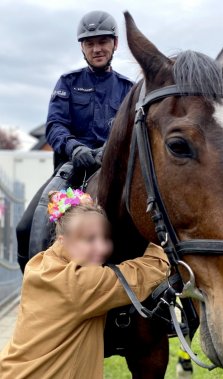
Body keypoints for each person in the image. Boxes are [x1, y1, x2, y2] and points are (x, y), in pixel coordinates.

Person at [0, 188, 169, 379]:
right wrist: (162, 240)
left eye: (105, 238)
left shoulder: (40, 263)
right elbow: (148, 272)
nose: (102, 247)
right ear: (63, 240)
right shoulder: (80, 284)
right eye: (90, 239)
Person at [16, 10, 133, 272]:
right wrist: (75, 147)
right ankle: (36, 289)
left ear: (115, 43)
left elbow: (133, 132)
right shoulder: (67, 83)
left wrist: (110, 151)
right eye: (89, 43)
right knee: (24, 228)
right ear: (82, 47)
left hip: (116, 171)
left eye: (102, 42)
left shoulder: (129, 89)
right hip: (72, 170)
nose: (97, 48)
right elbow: (55, 126)